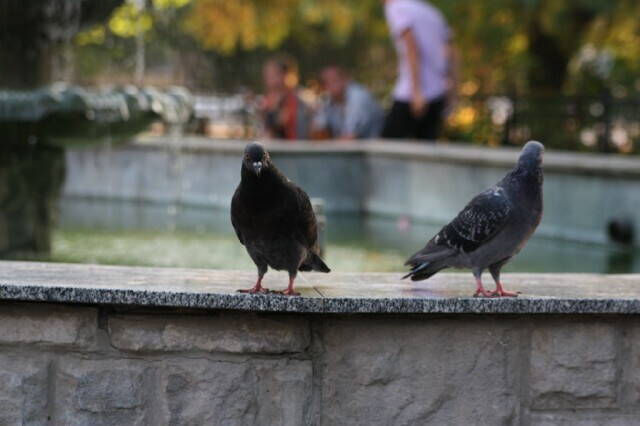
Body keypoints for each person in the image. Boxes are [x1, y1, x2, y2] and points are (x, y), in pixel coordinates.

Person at [381, 0, 457, 141]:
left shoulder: (396, 8)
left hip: (412, 94)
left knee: (388, 145)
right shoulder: (429, 11)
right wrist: (452, 93)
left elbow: (411, 47)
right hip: (437, 93)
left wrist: (416, 91)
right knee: (425, 146)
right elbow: (451, 53)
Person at [312, 66, 384, 140]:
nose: (331, 85)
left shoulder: (358, 96)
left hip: (376, 146)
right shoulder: (328, 100)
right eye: (325, 82)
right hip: (350, 146)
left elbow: (350, 137)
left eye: (335, 80)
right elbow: (317, 131)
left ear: (345, 80)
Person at [259, 57, 311, 140]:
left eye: (274, 75)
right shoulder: (267, 101)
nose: (270, 79)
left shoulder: (296, 100)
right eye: (267, 75)